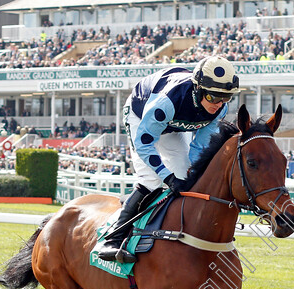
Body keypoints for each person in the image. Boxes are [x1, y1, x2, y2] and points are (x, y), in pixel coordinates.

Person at [97, 56, 240, 263]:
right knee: (151, 179)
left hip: (173, 124)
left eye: (225, 98)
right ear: (198, 89)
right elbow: (144, 145)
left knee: (185, 174)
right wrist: (167, 177)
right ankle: (112, 238)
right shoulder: (167, 102)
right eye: (213, 97)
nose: (218, 104)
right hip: (142, 115)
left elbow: (198, 148)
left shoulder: (219, 109)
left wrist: (189, 175)